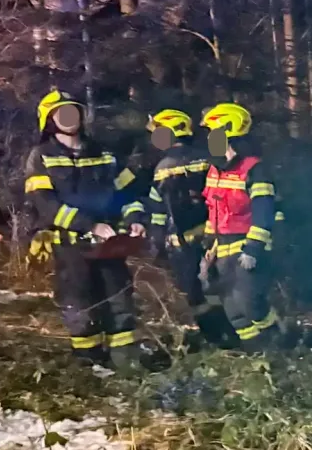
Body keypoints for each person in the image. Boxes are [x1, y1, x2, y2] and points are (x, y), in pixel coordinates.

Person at [24, 89, 149, 366]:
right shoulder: (41, 156)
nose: (69, 116)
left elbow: (126, 194)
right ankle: (89, 362)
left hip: (110, 243)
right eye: (62, 112)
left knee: (119, 298)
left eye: (73, 110)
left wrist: (135, 220)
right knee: (79, 301)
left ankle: (126, 361)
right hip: (70, 243)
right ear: (49, 119)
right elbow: (46, 204)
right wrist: (90, 225)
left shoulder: (104, 152)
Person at [143, 109, 235, 347]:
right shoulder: (208, 159)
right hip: (216, 236)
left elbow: (161, 210)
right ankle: (233, 335)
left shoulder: (165, 166)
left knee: (195, 293)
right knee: (221, 288)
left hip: (184, 242)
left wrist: (156, 242)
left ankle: (216, 338)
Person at [199, 103, 281, 351]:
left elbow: (264, 210)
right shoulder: (215, 169)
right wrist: (208, 246)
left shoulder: (254, 169)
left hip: (247, 246)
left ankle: (277, 342)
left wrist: (253, 249)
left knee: (250, 303)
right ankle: (257, 353)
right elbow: (214, 210)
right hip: (221, 247)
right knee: (232, 308)